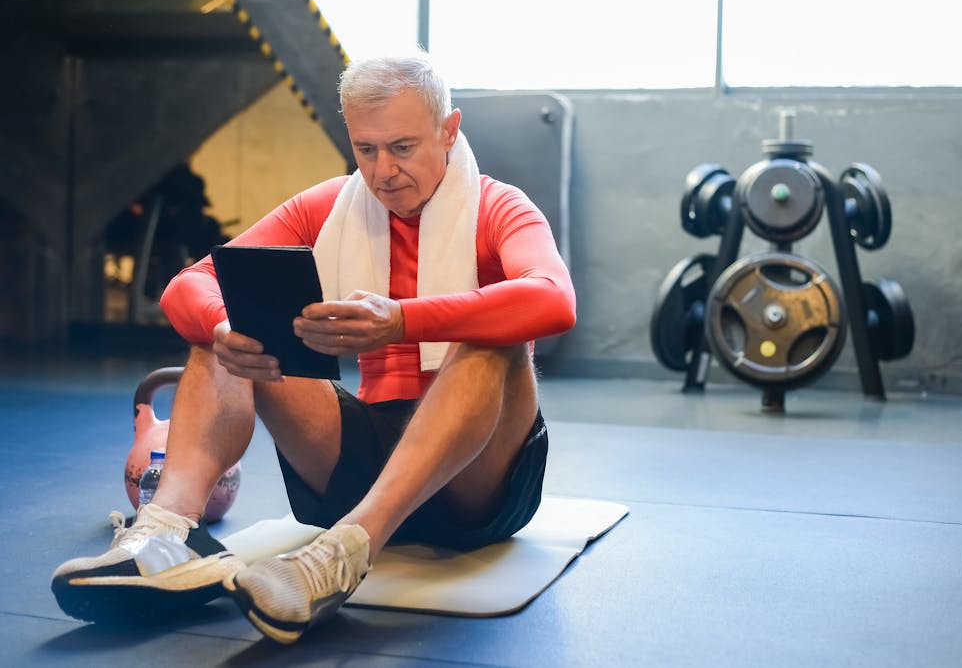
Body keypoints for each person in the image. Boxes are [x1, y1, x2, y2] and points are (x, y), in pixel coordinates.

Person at [51, 52, 576, 645]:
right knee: (226, 332)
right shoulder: (329, 207)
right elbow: (188, 286)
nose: (383, 172)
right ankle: (167, 534)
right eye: (366, 149)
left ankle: (346, 552)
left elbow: (555, 300)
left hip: (478, 482)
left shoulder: (500, 206)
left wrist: (403, 321)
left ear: (449, 131)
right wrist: (224, 329)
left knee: (492, 337)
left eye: (403, 147)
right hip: (362, 456)